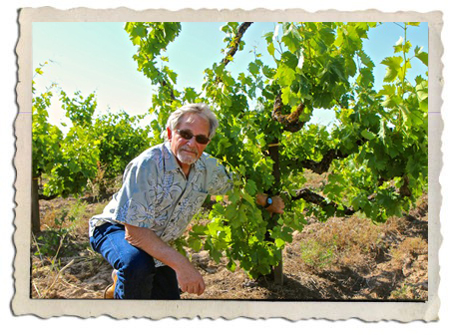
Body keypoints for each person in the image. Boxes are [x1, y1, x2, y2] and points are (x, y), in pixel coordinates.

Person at [89, 103, 285, 299]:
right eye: (185, 134)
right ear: (169, 133)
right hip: (116, 228)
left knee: (168, 305)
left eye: (200, 138)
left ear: (207, 142)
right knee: (136, 265)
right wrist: (182, 264)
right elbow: (135, 233)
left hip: (157, 241)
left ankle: (120, 283)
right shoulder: (148, 165)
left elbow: (238, 187)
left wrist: (268, 201)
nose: (192, 143)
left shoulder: (208, 168)